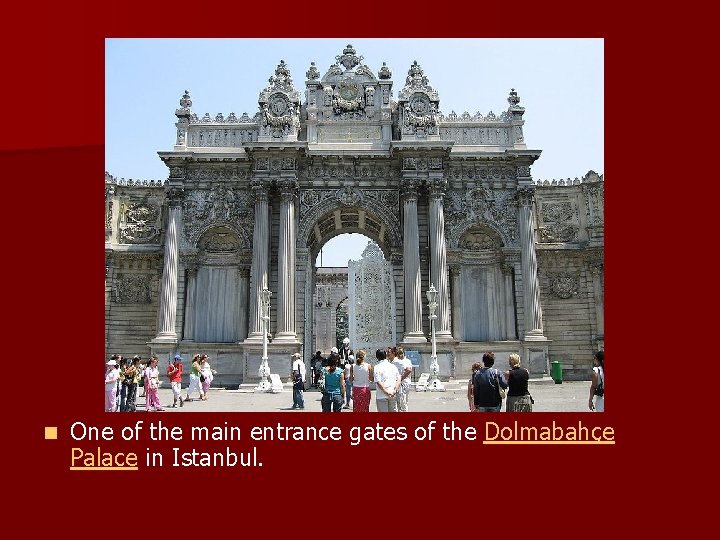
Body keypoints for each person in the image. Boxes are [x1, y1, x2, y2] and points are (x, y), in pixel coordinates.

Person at [373, 348, 400, 412]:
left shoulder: (377, 367)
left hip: (381, 395)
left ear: (377, 357)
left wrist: (386, 392)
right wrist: (394, 390)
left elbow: (379, 382)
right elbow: (398, 379)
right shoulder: (393, 366)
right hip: (392, 393)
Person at [392, 346, 413, 412]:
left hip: (402, 383)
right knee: (404, 400)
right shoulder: (407, 361)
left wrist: (400, 378)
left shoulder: (399, 362)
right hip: (406, 382)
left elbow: (409, 370)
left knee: (401, 401)